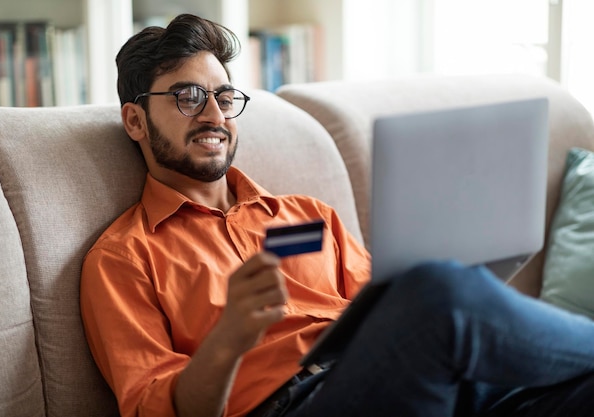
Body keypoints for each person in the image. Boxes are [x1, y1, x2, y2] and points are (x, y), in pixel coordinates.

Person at [80, 13, 594, 417]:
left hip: (408, 379)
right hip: (295, 405)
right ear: (135, 120)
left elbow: (390, 312)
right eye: (189, 97)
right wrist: (228, 339)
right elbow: (158, 410)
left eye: (224, 96)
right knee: (437, 291)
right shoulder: (124, 258)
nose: (214, 115)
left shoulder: (308, 218)